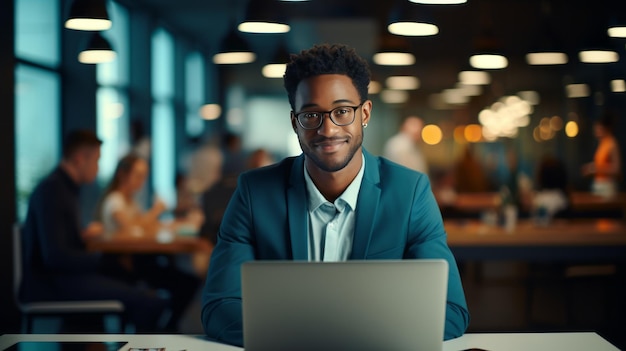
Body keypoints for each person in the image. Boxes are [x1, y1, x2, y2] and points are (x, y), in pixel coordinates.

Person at [201, 44, 469, 346]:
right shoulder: (254, 192)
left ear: (364, 113)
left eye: (342, 111)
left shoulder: (410, 193)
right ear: (295, 122)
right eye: (311, 115)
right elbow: (219, 307)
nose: (327, 129)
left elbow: (451, 311)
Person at [20, 130, 167, 332]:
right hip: (50, 284)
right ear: (80, 159)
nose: (98, 168)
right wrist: (102, 258)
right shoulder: (53, 191)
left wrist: (81, 238)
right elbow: (54, 257)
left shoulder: (61, 188)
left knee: (133, 282)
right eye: (97, 160)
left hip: (60, 278)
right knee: (147, 300)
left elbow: (57, 243)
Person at [97, 153, 202, 332]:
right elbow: (132, 229)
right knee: (185, 283)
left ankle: (167, 328)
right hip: (124, 266)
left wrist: (171, 223)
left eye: (144, 176)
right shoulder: (115, 201)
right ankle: (166, 329)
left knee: (185, 281)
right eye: (138, 175)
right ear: (123, 175)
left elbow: (144, 227)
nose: (142, 181)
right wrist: (155, 211)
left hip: (138, 261)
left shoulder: (129, 201)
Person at [582, 112, 622, 198]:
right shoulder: (602, 144)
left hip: (607, 185)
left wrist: (596, 169)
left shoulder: (612, 144)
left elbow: (616, 169)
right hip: (598, 184)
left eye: (598, 128)